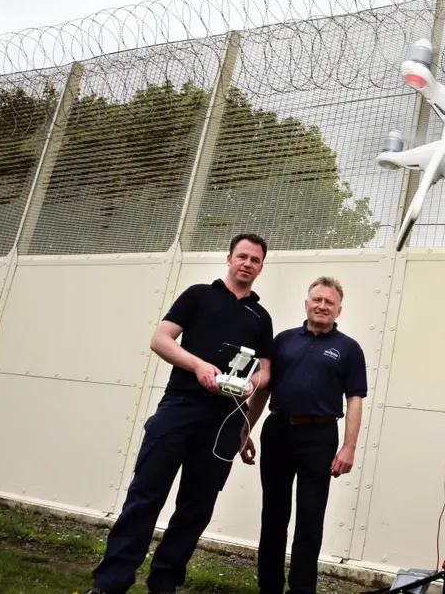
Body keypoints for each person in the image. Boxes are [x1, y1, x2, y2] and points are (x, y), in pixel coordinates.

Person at [87, 233, 276, 594]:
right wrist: (198, 366)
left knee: (196, 507)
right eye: (242, 256)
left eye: (255, 260)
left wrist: (250, 389)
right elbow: (161, 339)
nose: (247, 263)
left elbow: (265, 372)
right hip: (180, 407)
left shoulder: (260, 317)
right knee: (146, 495)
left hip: (223, 420)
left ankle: (164, 583)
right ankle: (111, 582)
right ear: (229, 259)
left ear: (261, 267)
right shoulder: (198, 295)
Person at [239, 276, 369, 594]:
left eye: (329, 302)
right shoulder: (282, 341)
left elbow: (355, 399)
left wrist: (349, 447)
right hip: (278, 432)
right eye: (317, 300)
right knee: (274, 515)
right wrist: (244, 431)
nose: (322, 306)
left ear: (339, 310)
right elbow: (262, 391)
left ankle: (302, 588)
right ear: (307, 304)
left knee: (310, 518)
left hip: (320, 437)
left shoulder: (349, 349)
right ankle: (269, 587)